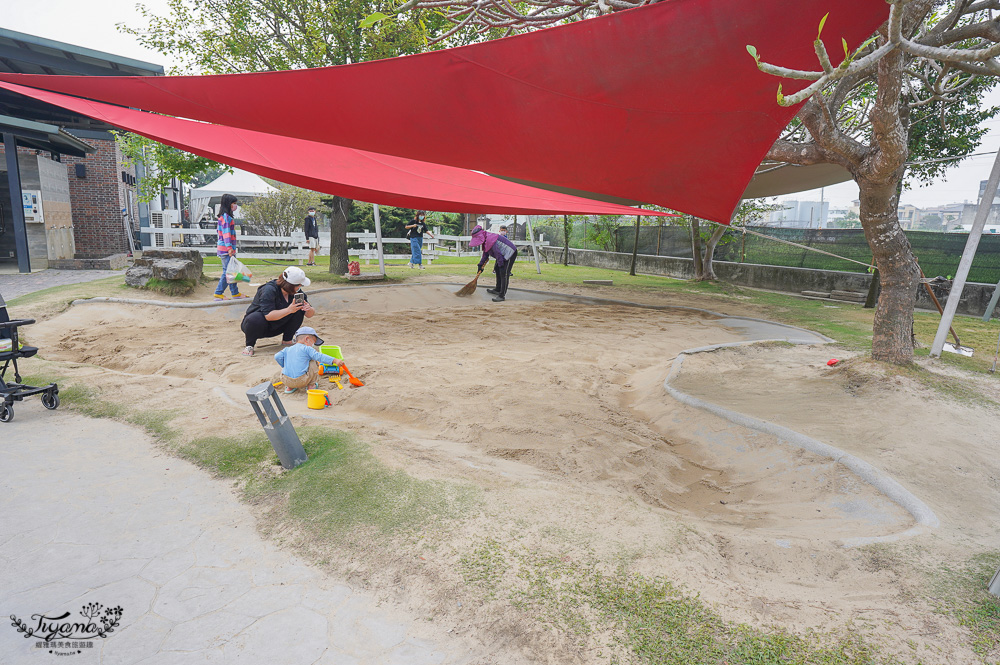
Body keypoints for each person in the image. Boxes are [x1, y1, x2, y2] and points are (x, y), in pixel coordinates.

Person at [240, 267, 316, 356]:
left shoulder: (297, 292)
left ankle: (287, 340)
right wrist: (289, 310)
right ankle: (250, 345)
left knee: (298, 309)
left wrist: (308, 309)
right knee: (254, 318)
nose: (300, 287)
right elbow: (268, 315)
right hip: (259, 327)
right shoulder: (269, 290)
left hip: (279, 326)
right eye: (299, 285)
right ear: (290, 285)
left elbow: (310, 314)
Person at [273, 326, 343, 394]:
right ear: (307, 339)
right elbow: (319, 356)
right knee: (313, 360)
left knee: (289, 362)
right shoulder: (307, 349)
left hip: (286, 380)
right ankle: (311, 386)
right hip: (302, 380)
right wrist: (335, 360)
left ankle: (289, 388)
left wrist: (284, 365)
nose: (313, 345)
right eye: (313, 342)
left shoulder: (287, 349)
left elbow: (277, 356)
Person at [470, 224, 518, 302]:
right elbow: (486, 253)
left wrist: (501, 264)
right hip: (501, 254)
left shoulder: (489, 238)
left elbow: (497, 253)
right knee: (497, 269)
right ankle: (498, 289)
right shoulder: (486, 238)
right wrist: (480, 265)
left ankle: (502, 295)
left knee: (504, 273)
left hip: (510, 252)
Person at [214, 193, 248, 301]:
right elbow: (226, 234)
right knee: (228, 272)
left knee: (232, 271)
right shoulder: (226, 218)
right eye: (233, 203)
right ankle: (218, 293)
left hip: (226, 248)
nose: (235, 205)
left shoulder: (225, 217)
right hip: (226, 249)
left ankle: (235, 293)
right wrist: (229, 248)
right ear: (228, 204)